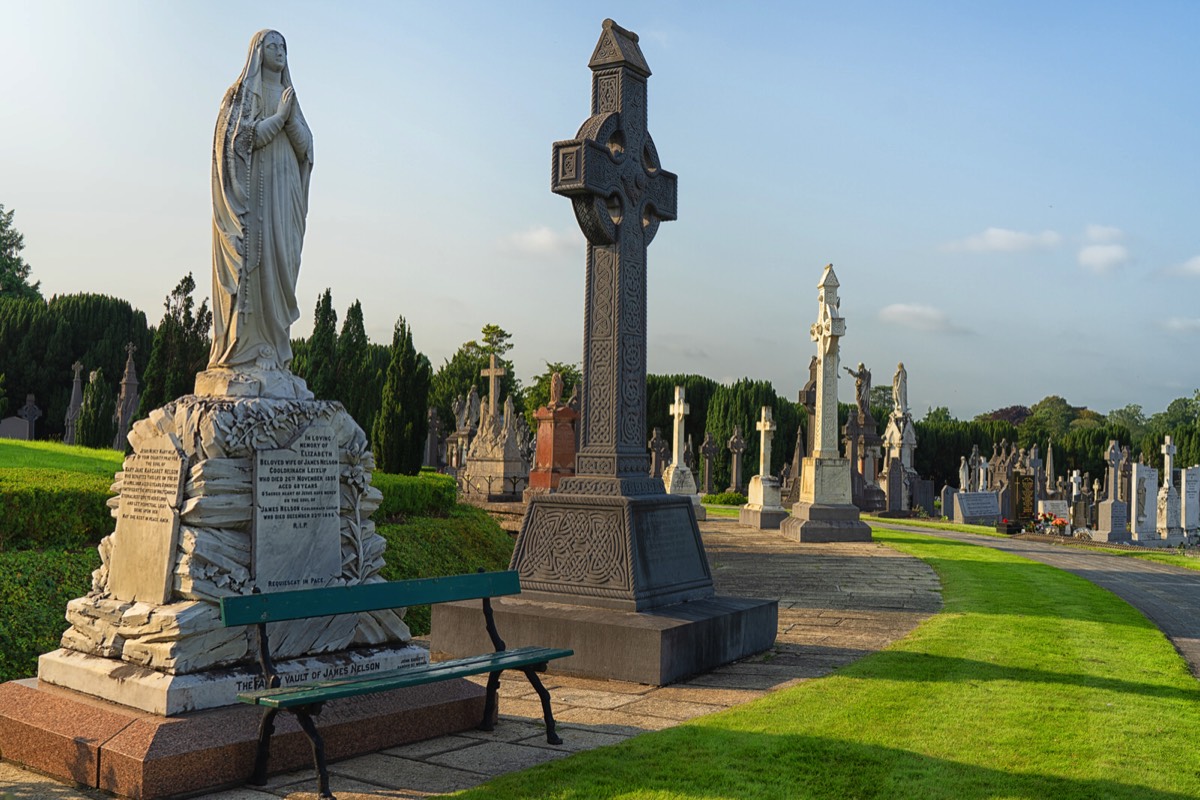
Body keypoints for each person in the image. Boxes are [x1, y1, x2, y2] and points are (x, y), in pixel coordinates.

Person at [209, 30, 314, 372]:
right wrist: (280, 118)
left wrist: (288, 116)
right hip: (255, 196)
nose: (279, 51)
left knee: (281, 261)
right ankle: (248, 351)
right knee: (256, 264)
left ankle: (274, 346)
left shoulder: (288, 94)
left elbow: (305, 147)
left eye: (284, 46)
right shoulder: (240, 95)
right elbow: (239, 141)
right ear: (257, 52)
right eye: (272, 46)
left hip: (284, 196)